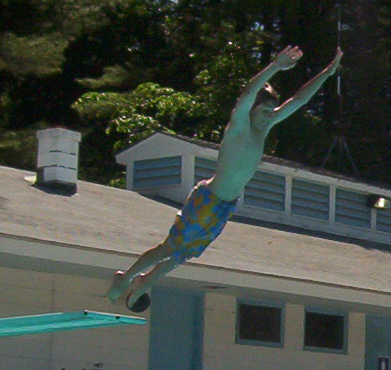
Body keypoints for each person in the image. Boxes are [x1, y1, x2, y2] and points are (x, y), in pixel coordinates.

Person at [108, 45, 342, 312]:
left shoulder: (264, 128)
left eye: (272, 110)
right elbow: (247, 94)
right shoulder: (239, 128)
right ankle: (125, 279)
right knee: (169, 249)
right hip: (208, 199)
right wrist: (276, 66)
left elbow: (299, 100)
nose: (270, 114)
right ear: (251, 111)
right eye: (265, 110)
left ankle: (145, 282)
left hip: (224, 206)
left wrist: (327, 72)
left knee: (183, 254)